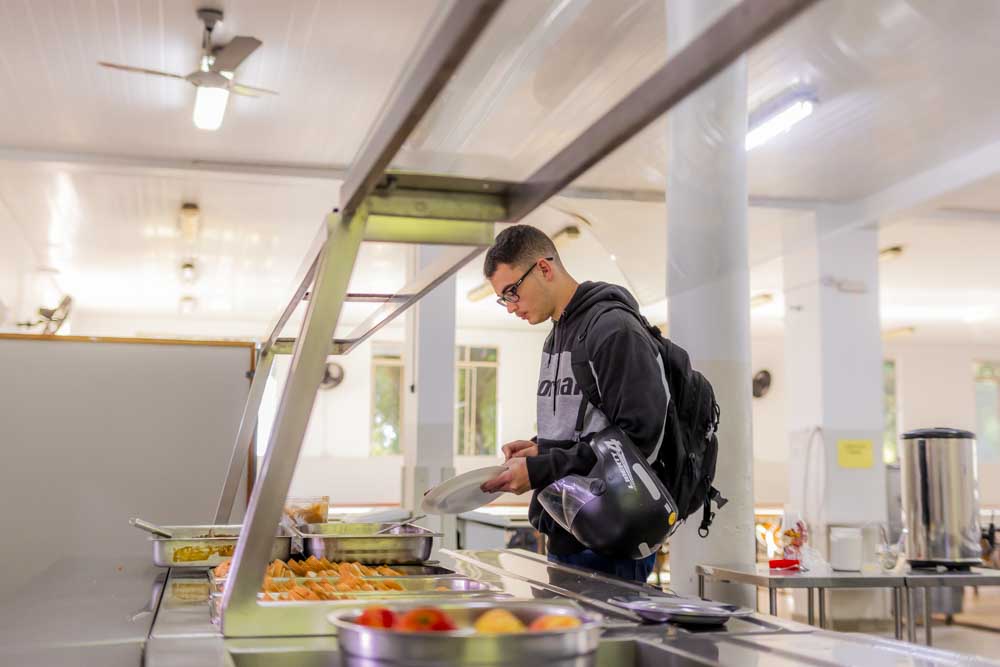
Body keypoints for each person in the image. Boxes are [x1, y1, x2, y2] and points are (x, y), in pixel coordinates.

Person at [480, 224, 670, 583]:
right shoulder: (556, 337)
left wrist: (541, 469)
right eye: (503, 299)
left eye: (512, 292)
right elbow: (587, 430)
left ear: (544, 268)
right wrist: (540, 449)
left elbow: (637, 441)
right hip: (568, 530)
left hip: (611, 536)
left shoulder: (614, 330)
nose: (510, 307)